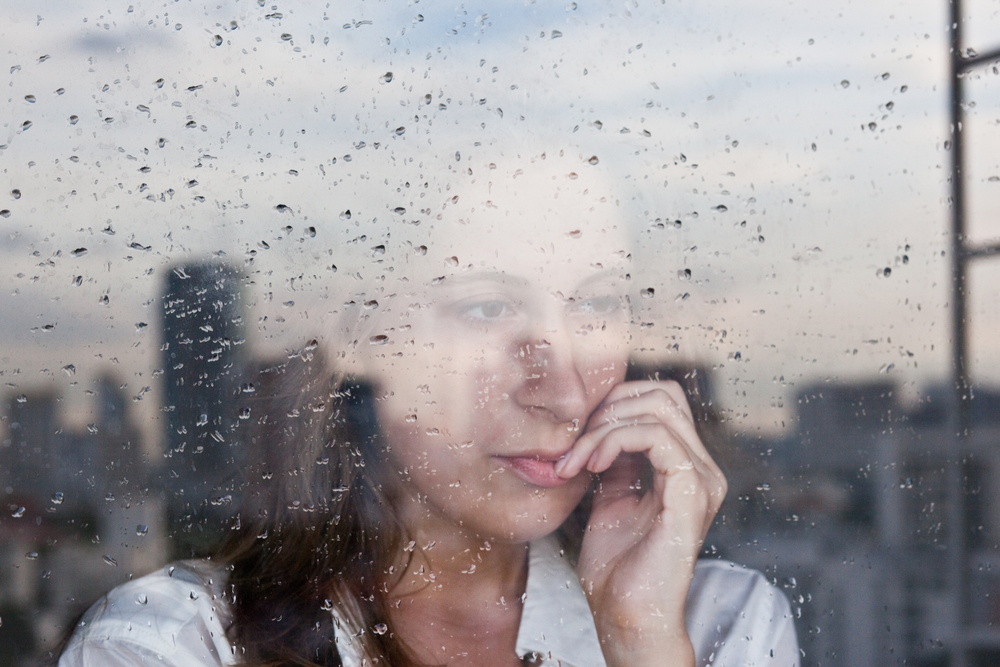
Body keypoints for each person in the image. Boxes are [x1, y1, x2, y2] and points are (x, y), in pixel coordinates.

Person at [57, 140, 799, 667]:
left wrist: (641, 647)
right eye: (485, 309)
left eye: (597, 302)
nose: (566, 390)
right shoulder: (172, 647)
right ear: (367, 339)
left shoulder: (715, 625)